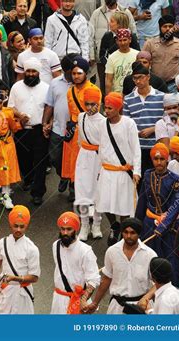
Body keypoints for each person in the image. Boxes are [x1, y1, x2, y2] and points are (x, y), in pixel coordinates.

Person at [82, 218, 157, 314]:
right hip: (117, 308)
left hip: (141, 308)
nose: (128, 236)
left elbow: (158, 284)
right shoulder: (112, 252)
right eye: (125, 232)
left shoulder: (150, 255)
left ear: (139, 234)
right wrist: (95, 302)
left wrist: (146, 298)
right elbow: (106, 279)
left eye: (132, 233)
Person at [96, 92, 141, 246]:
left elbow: (136, 149)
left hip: (123, 172)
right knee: (104, 203)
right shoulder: (102, 124)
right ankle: (114, 226)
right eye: (105, 107)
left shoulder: (129, 124)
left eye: (109, 108)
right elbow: (101, 147)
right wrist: (98, 170)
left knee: (123, 206)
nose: (106, 111)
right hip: (107, 170)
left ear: (118, 108)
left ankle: (123, 230)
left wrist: (136, 171)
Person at [135, 143, 179, 287]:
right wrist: (136, 224)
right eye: (156, 159)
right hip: (149, 224)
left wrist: (163, 226)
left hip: (169, 227)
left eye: (162, 159)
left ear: (167, 160)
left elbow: (177, 205)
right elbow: (142, 200)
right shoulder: (148, 175)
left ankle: (172, 292)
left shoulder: (175, 180)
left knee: (169, 260)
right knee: (148, 258)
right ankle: (148, 290)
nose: (159, 162)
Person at [8, 57, 49, 205]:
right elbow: (10, 106)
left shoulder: (46, 88)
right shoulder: (16, 87)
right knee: (23, 159)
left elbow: (49, 108)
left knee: (40, 162)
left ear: (38, 73)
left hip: (39, 130)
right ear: (24, 72)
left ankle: (38, 192)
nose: (31, 74)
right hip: (21, 129)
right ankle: (28, 179)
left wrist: (47, 124)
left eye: (34, 71)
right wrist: (20, 115)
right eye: (28, 71)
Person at [0, 205, 40, 314]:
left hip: (22, 294)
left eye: (22, 226)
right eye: (15, 226)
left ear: (27, 226)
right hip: (4, 290)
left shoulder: (32, 249)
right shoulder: (3, 242)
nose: (18, 230)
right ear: (10, 224)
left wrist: (14, 278)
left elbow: (34, 278)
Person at [61, 56, 99, 202]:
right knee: (72, 162)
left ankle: (86, 194)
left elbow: (92, 113)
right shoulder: (70, 91)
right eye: (74, 73)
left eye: (79, 73)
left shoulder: (93, 90)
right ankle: (73, 188)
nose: (76, 76)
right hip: (72, 131)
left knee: (85, 164)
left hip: (86, 132)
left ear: (86, 73)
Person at [51, 212, 100, 314]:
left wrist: (83, 300)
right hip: (58, 299)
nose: (65, 233)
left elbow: (93, 279)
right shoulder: (55, 245)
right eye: (62, 229)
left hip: (77, 301)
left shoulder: (85, 251)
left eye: (69, 229)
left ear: (76, 229)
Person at [123, 61, 165, 177]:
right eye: (134, 78)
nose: (137, 81)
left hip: (157, 146)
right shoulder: (128, 99)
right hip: (137, 146)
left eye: (140, 77)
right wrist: (137, 133)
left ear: (148, 77)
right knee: (138, 179)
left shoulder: (161, 96)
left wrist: (153, 129)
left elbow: (169, 121)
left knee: (156, 179)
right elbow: (126, 122)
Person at [74, 88, 105, 240]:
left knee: (98, 191)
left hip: (99, 158)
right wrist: (84, 153)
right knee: (82, 191)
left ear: (99, 104)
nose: (89, 108)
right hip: (84, 157)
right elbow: (80, 140)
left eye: (93, 104)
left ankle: (97, 224)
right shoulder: (81, 117)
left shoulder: (104, 122)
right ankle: (84, 224)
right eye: (87, 104)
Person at [42, 54, 75, 195]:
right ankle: (63, 176)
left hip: (75, 131)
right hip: (57, 128)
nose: (74, 73)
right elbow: (49, 105)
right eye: (71, 70)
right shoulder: (55, 83)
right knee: (55, 157)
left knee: (75, 160)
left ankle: (74, 188)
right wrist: (45, 123)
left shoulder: (80, 83)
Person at [89, 0, 136, 87]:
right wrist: (92, 55)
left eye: (112, 22)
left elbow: (133, 32)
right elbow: (90, 35)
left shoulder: (126, 12)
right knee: (105, 85)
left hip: (126, 66)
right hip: (102, 62)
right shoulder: (97, 13)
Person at [142, 15, 179, 93]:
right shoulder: (150, 44)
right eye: (164, 26)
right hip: (154, 84)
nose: (168, 29)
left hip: (173, 84)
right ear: (159, 28)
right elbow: (142, 63)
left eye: (170, 26)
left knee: (173, 105)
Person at [99, 11, 140, 94]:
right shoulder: (107, 36)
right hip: (112, 72)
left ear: (119, 24)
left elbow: (138, 56)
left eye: (112, 21)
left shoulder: (132, 37)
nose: (109, 23)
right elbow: (102, 55)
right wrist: (110, 64)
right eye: (120, 40)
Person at [105, 28, 139, 93]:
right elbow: (108, 80)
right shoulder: (112, 57)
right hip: (117, 95)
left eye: (125, 40)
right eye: (120, 40)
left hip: (135, 94)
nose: (123, 43)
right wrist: (108, 98)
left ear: (130, 40)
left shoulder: (137, 55)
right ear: (117, 41)